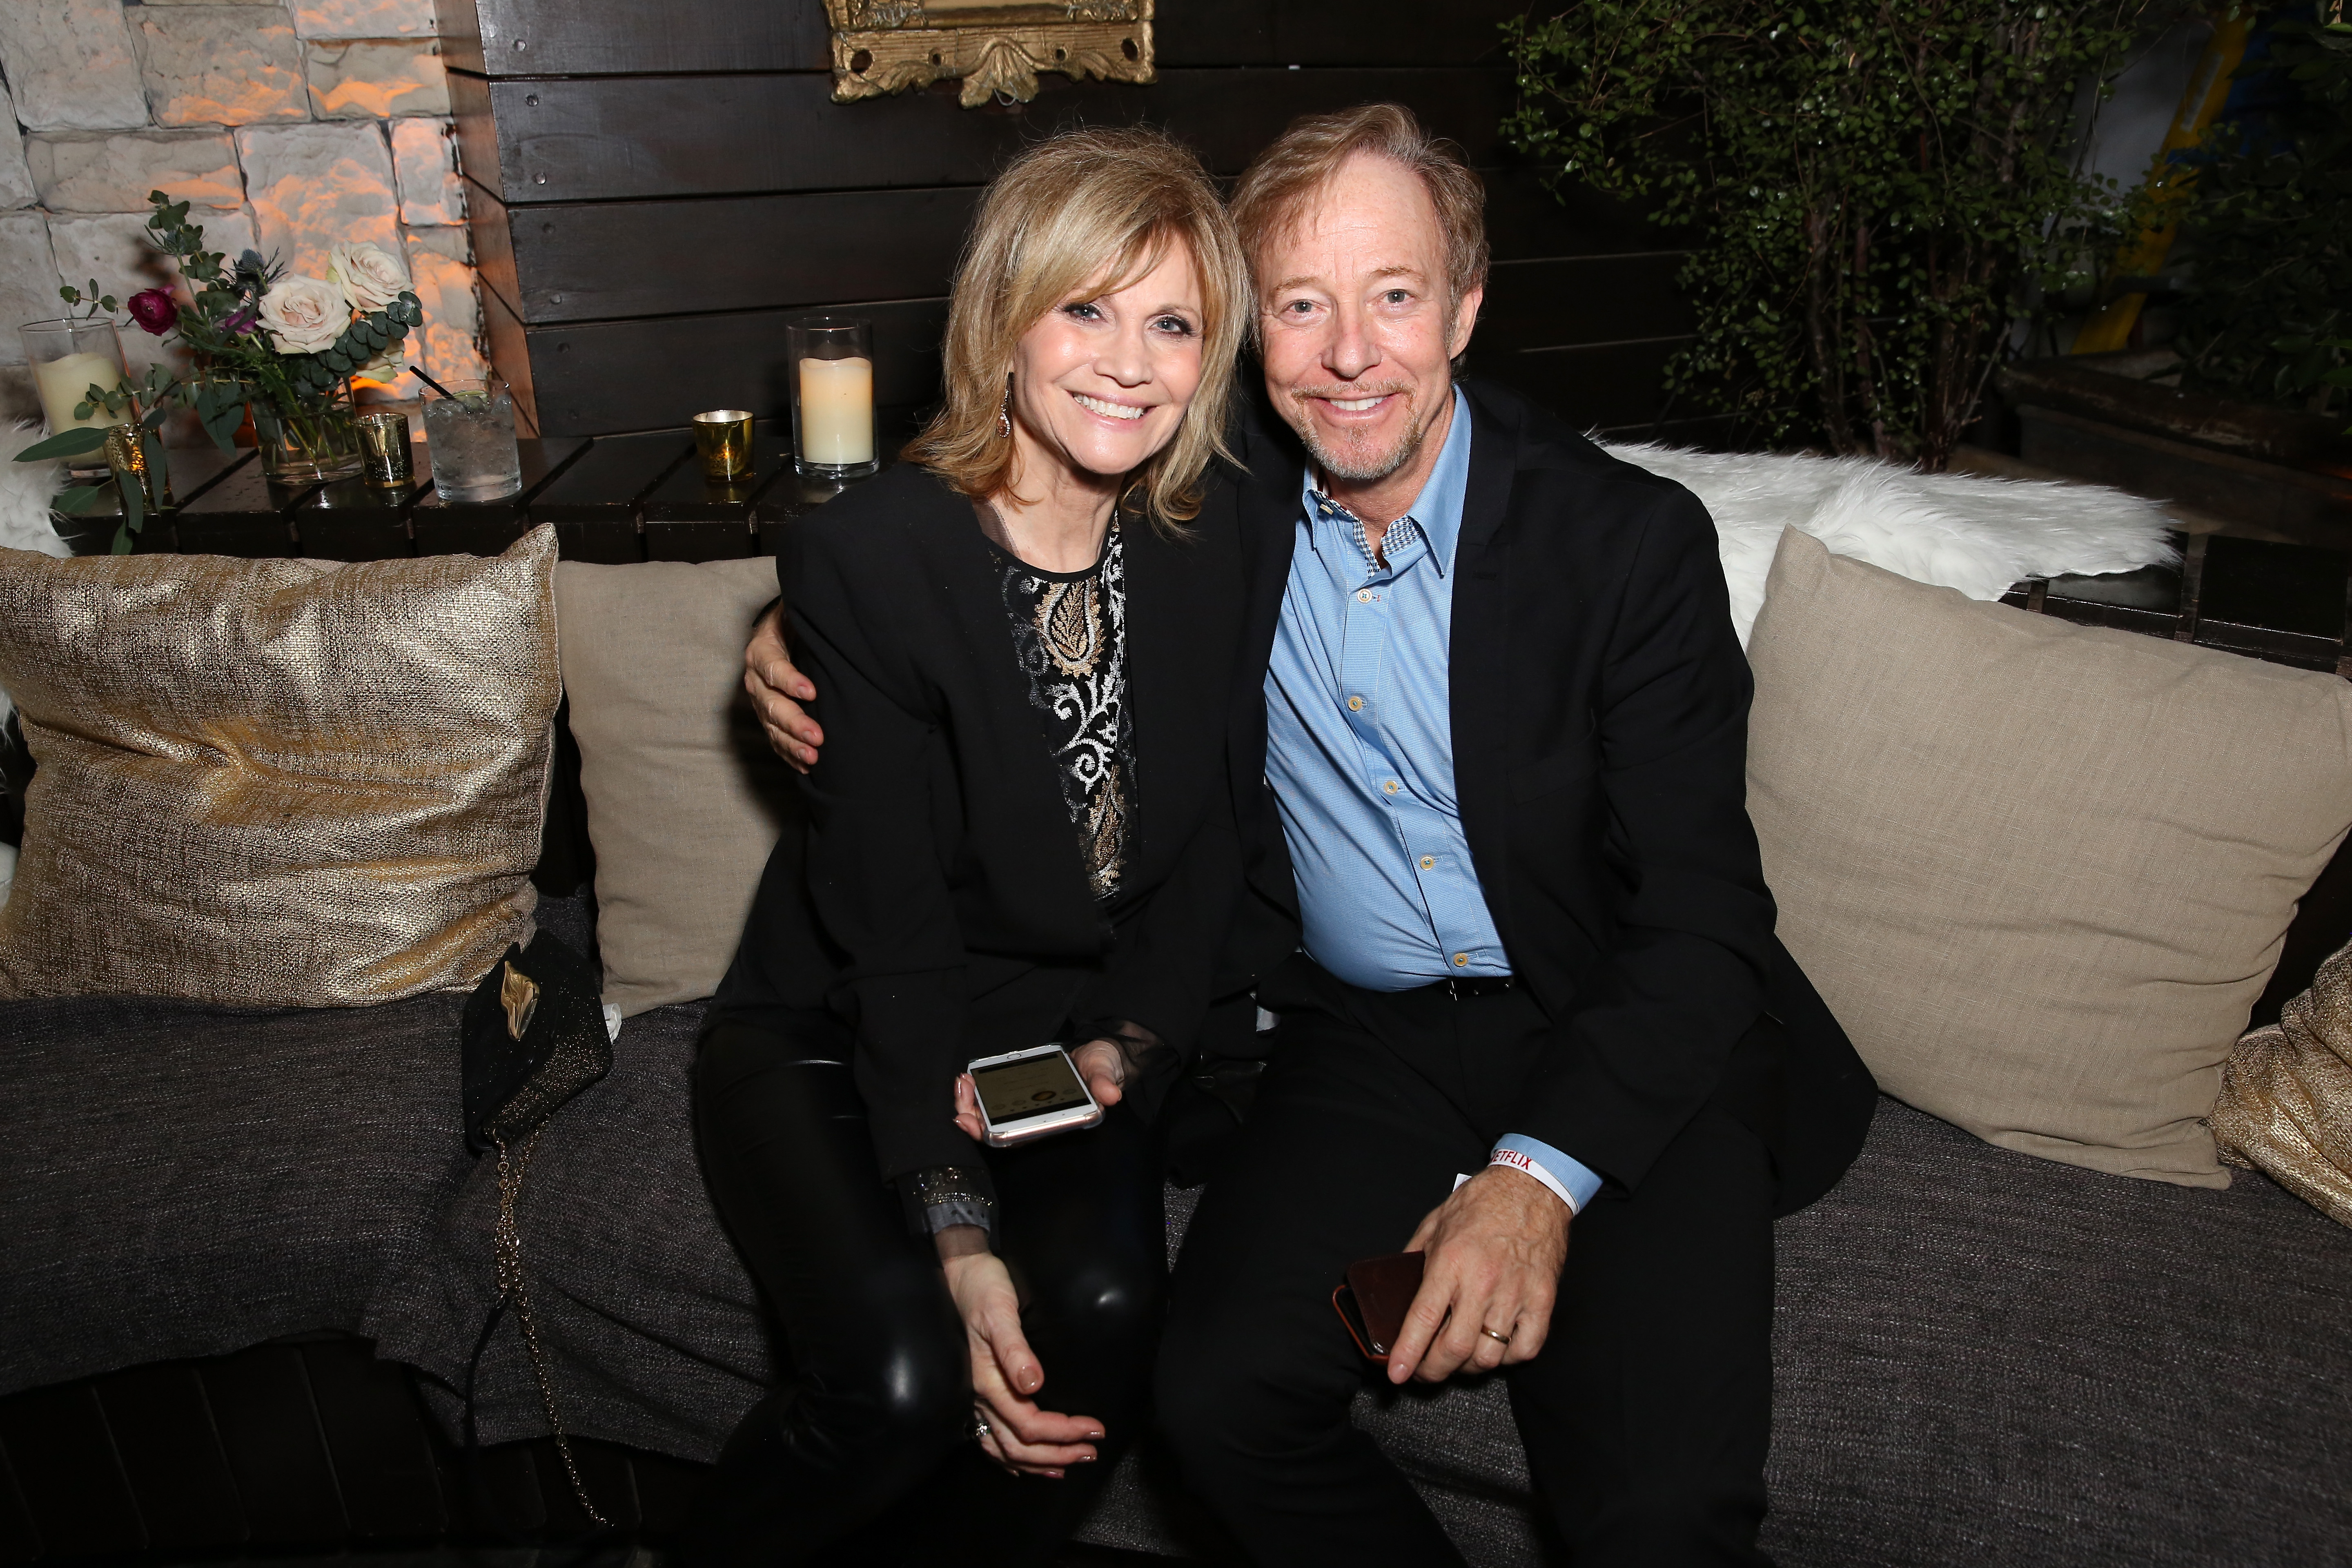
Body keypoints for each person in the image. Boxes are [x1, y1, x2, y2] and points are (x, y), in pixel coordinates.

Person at [747, 105, 1878, 1566]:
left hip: (1618, 1018)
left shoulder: (1626, 545)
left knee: (1658, 1518)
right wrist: (794, 626)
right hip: (1368, 1039)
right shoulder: (1215, 505)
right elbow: (996, 502)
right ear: (1248, 338)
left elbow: (1705, 919)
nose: (1350, 354)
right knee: (1215, 1399)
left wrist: (1533, 1184)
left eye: (1395, 296)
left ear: (1466, 309)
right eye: (1300, 304)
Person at [685, 126, 1254, 1568]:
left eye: (1173, 322)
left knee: (1111, 1328)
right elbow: (891, 933)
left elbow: (1213, 846)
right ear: (1004, 322)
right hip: (840, 1027)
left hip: (1055, 1036)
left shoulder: (1224, 536)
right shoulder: (874, 556)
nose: (1130, 362)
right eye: (1085, 308)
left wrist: (1136, 1042)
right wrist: (956, 1230)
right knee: (899, 1381)